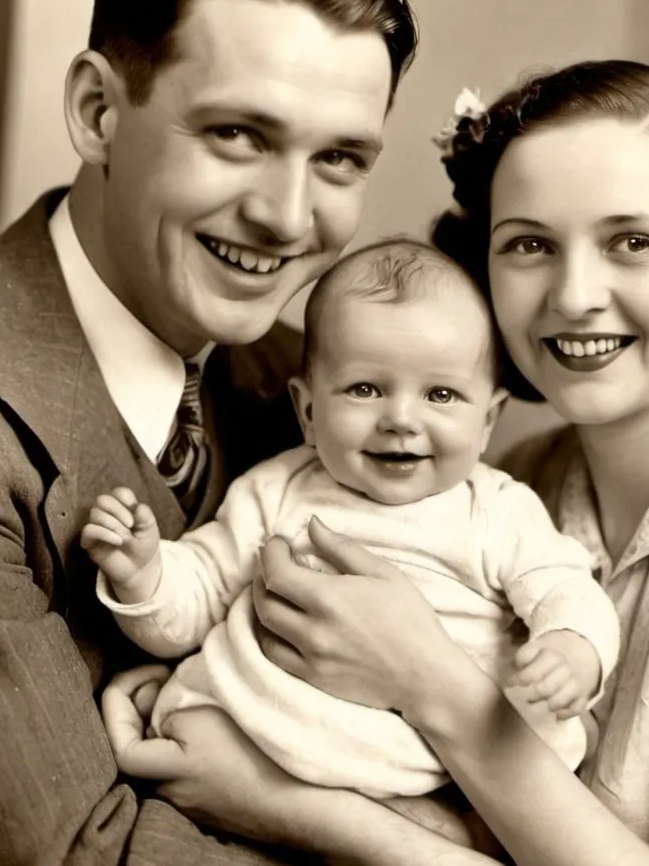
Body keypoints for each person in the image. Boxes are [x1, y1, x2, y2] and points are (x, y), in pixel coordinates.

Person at [134, 59, 649, 866]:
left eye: (633, 242)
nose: (574, 294)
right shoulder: (524, 476)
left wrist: (296, 802)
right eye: (529, 244)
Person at [0, 0, 430, 865]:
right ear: (98, 111)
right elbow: (86, 854)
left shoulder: (311, 385)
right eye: (239, 134)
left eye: (339, 159)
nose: (287, 216)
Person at [84, 239, 621, 801]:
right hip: (263, 735)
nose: (401, 420)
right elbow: (197, 600)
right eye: (365, 389)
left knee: (536, 743)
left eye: (441, 394)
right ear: (309, 411)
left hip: (424, 770)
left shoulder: (497, 511)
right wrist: (145, 575)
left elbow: (568, 589)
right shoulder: (276, 490)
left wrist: (571, 648)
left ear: (487, 422)